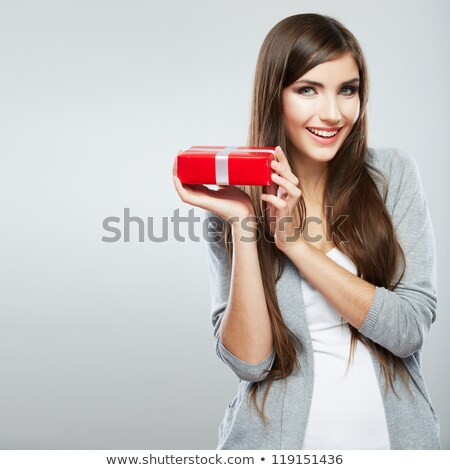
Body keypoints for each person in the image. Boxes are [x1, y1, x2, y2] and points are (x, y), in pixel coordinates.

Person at [172, 13, 440, 450]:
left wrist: (297, 245)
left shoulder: (393, 176)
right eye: (308, 90)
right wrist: (243, 221)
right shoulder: (234, 205)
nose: (332, 113)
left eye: (347, 90)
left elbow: (408, 329)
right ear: (275, 95)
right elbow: (250, 362)